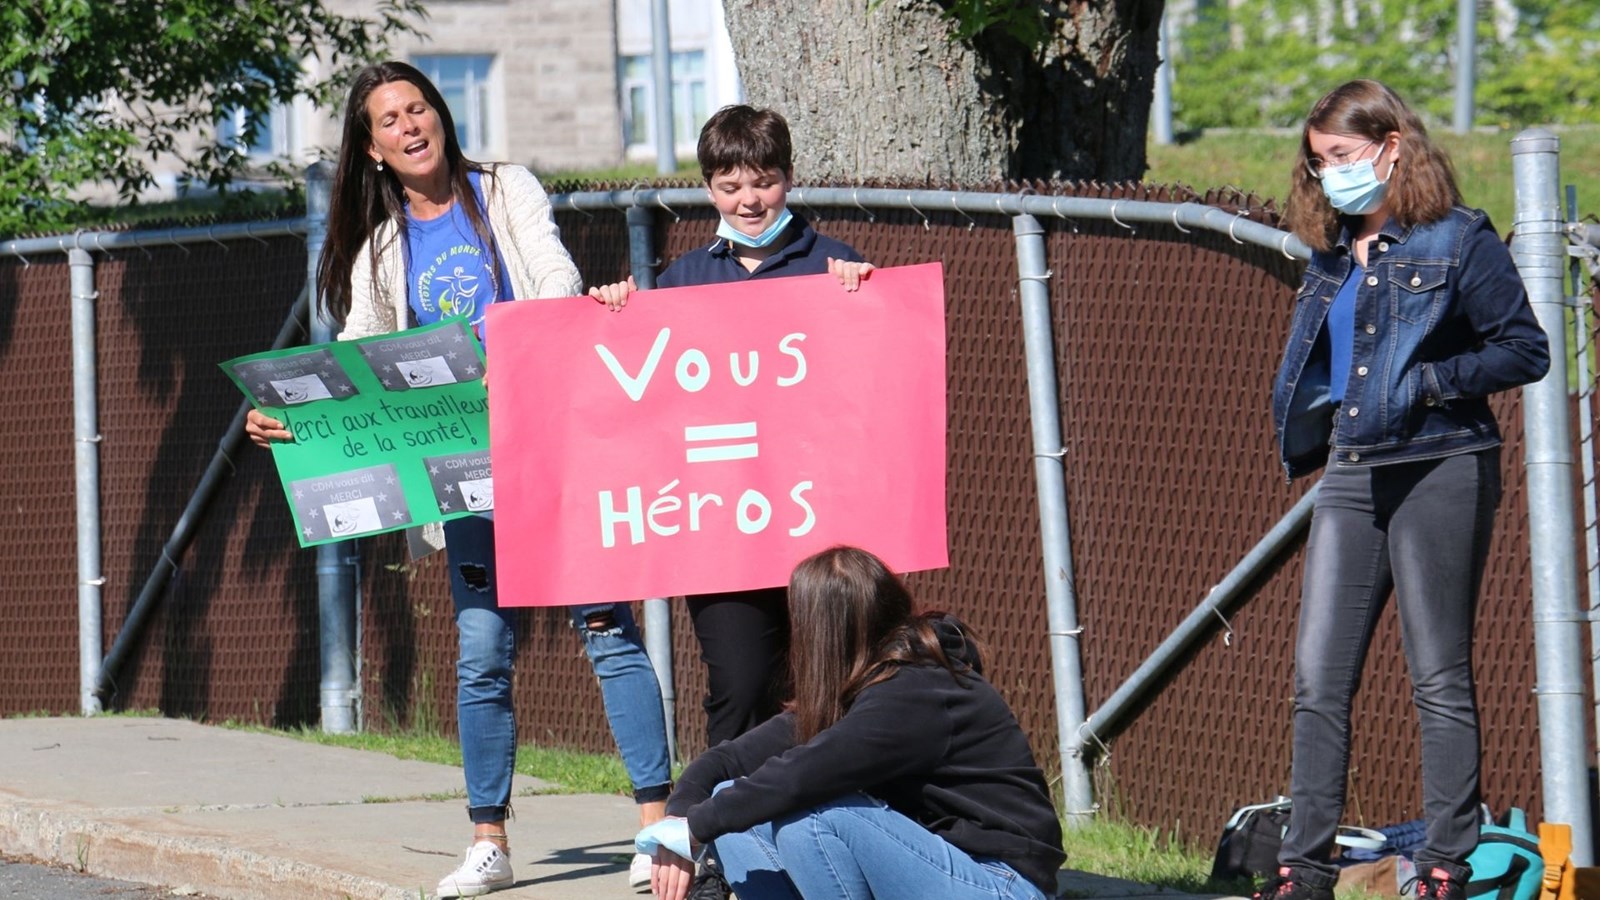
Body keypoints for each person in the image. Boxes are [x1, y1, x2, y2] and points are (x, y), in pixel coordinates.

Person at [243, 61, 673, 897]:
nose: (410, 126)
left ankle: (658, 832)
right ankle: (489, 841)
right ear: (371, 149)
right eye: (390, 120)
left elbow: (554, 276)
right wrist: (293, 425)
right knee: (481, 652)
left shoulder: (506, 190)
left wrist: (511, 350)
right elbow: (358, 363)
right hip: (462, 469)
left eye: (419, 108)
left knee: (608, 628)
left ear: (440, 116)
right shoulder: (379, 247)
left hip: (554, 444)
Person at [1263, 80, 1549, 900]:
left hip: (1441, 465)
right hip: (1354, 470)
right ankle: (1304, 869)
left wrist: (1430, 382)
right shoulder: (1330, 252)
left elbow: (1524, 350)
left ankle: (1443, 867)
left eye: (1343, 159)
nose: (1329, 179)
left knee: (1438, 677)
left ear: (1393, 146)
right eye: (1318, 165)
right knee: (1319, 677)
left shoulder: (1460, 240)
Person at [589, 104, 874, 752]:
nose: (750, 200)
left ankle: (836, 827)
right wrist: (615, 313)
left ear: (789, 177)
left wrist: (861, 294)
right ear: (708, 189)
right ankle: (727, 832)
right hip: (720, 524)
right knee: (741, 683)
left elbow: (869, 379)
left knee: (832, 680)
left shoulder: (833, 267)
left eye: (764, 181)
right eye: (731, 186)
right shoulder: (682, 281)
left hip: (819, 521)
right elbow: (634, 388)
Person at [634, 545, 1065, 900]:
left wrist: (694, 829)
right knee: (730, 796)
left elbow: (801, 778)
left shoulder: (916, 691)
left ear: (819, 634)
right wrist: (679, 819)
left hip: (1003, 884)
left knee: (816, 818)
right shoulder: (860, 686)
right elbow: (727, 761)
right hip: (941, 873)